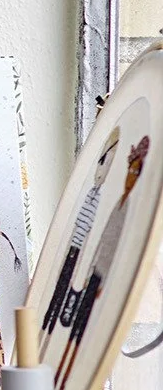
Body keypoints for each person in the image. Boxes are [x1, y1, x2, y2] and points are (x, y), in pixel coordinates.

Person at [59, 135, 150, 390]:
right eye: (130, 169)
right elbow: (101, 243)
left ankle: (69, 374)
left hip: (103, 276)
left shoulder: (129, 207)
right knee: (76, 326)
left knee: (82, 332)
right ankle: (64, 370)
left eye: (135, 171)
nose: (131, 175)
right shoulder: (117, 204)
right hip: (94, 272)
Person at [43, 127, 118, 341]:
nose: (100, 170)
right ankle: (48, 324)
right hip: (72, 249)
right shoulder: (90, 193)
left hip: (81, 254)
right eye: (101, 162)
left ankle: (57, 328)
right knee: (59, 287)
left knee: (69, 291)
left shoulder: (103, 199)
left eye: (106, 163)